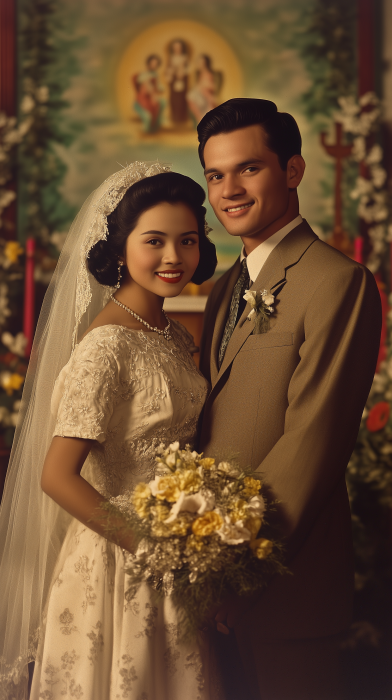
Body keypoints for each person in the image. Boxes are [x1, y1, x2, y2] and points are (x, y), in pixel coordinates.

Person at [0, 162, 220, 700]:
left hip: (172, 549)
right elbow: (56, 476)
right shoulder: (106, 346)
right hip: (116, 557)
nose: (174, 257)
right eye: (156, 241)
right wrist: (147, 547)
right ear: (120, 249)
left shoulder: (169, 334)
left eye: (187, 240)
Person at [196, 98, 382, 700]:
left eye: (248, 168)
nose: (230, 190)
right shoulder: (225, 287)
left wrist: (239, 573)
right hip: (207, 587)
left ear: (293, 171)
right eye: (216, 175)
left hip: (282, 587)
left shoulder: (336, 281)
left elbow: (313, 441)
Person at [133, 54, 165, 133]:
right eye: (152, 63)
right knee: (149, 115)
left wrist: (160, 88)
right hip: (143, 97)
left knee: (162, 103)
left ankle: (155, 125)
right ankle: (148, 128)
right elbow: (146, 86)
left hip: (152, 96)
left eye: (155, 64)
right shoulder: (143, 74)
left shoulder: (155, 74)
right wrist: (153, 95)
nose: (153, 66)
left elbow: (158, 86)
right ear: (148, 63)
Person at [187, 54, 222, 125]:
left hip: (207, 96)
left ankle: (202, 120)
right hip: (201, 95)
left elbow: (212, 86)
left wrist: (203, 87)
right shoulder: (200, 74)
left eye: (202, 63)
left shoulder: (208, 73)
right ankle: (200, 119)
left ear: (205, 64)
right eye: (199, 63)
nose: (200, 65)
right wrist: (199, 87)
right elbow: (198, 86)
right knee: (190, 97)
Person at [165, 39, 190, 125]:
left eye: (178, 47)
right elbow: (168, 69)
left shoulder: (185, 57)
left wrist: (183, 72)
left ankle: (182, 119)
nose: (177, 49)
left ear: (181, 48)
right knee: (174, 99)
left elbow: (189, 69)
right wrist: (171, 73)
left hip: (182, 80)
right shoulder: (171, 58)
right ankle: (174, 118)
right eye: (175, 47)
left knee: (181, 100)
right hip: (173, 81)